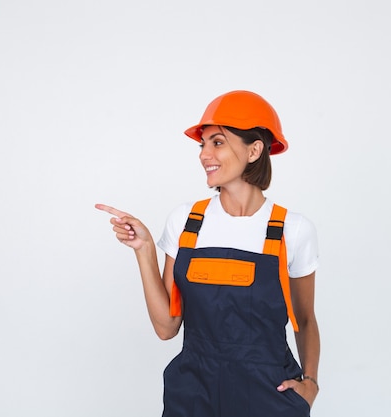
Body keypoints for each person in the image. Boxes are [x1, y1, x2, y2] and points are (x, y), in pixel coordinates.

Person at [96, 90, 320, 417]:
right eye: (202, 144)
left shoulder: (293, 230)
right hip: (193, 395)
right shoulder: (187, 223)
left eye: (217, 142)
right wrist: (144, 251)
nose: (204, 154)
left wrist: (310, 384)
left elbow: (304, 319)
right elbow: (167, 328)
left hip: (267, 397)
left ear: (255, 150)